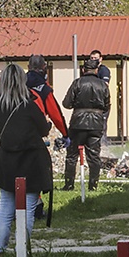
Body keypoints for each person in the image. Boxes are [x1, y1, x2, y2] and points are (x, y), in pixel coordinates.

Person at [0, 64, 53, 255]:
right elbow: (42, 129)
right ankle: (22, 249)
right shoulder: (29, 105)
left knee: (5, 208)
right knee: (27, 209)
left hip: (6, 160)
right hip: (31, 161)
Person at [27, 54, 70, 221]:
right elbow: (55, 114)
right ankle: (36, 206)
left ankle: (15, 206)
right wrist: (65, 134)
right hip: (35, 134)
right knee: (36, 170)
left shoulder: (19, 84)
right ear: (44, 68)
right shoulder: (43, 89)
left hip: (13, 131)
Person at [62, 58, 110, 191]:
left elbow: (66, 103)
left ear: (83, 70)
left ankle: (69, 184)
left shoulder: (77, 83)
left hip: (78, 122)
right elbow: (106, 106)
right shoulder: (103, 85)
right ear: (96, 70)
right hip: (96, 123)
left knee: (72, 155)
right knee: (94, 156)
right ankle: (93, 186)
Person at [89, 49, 111, 141]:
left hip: (102, 101)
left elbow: (105, 85)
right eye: (92, 58)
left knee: (102, 123)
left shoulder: (104, 70)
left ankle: (103, 144)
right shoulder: (88, 71)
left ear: (100, 59)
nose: (93, 60)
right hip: (90, 102)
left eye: (96, 58)